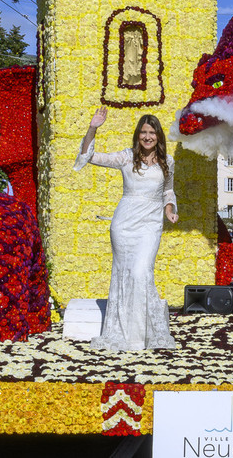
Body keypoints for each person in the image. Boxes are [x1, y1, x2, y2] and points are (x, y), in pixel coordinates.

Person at [74, 106, 177, 350]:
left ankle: (144, 335)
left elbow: (168, 190)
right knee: (125, 275)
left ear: (158, 136)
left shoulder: (167, 162)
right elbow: (90, 156)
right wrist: (92, 128)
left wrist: (169, 209)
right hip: (124, 225)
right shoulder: (126, 157)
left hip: (150, 225)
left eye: (152, 132)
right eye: (143, 132)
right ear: (138, 135)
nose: (148, 136)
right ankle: (126, 336)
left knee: (142, 273)